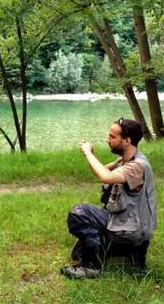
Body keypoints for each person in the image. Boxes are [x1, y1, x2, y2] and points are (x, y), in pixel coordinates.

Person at [60, 118, 157, 279]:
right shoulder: (126, 160)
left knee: (79, 213)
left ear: (127, 141)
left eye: (112, 136)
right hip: (132, 226)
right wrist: (92, 156)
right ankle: (124, 251)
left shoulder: (137, 166)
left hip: (132, 231)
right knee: (79, 252)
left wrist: (88, 153)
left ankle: (91, 268)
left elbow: (105, 177)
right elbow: (104, 172)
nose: (108, 140)